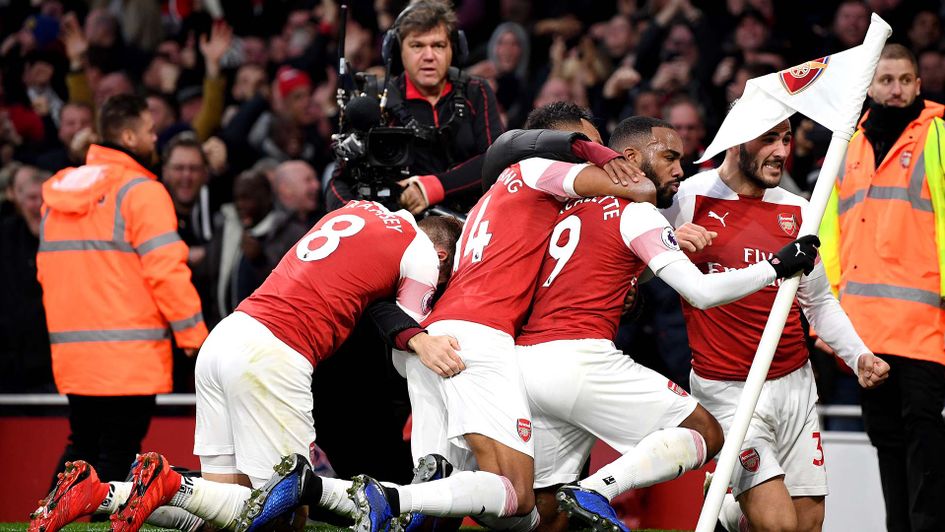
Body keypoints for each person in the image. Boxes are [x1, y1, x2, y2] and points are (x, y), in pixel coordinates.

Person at [29, 202, 465, 532]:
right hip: (274, 354)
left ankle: (100, 493)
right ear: (443, 257)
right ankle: (168, 482)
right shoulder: (425, 255)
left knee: (224, 506)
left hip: (228, 335)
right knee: (287, 509)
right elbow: (407, 342)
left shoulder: (359, 208)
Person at [346, 102, 655, 532]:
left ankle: (365, 497)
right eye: (590, 145)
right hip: (478, 341)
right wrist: (623, 176)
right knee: (516, 495)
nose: (605, 159)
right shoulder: (537, 171)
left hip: (440, 337)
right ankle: (383, 497)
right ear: (561, 143)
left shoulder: (494, 200)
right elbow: (641, 190)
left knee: (449, 497)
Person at [513, 116, 821, 532]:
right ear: (631, 158)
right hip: (582, 359)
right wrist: (776, 266)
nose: (680, 170)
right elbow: (702, 292)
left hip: (525, 361)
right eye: (670, 158)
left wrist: (642, 274)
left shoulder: (565, 207)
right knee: (705, 432)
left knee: (541, 510)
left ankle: (422, 496)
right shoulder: (639, 213)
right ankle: (600, 487)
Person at [661, 119, 890, 532]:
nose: (782, 151)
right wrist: (670, 239)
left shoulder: (798, 209)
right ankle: (731, 506)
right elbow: (636, 260)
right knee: (778, 525)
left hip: (794, 384)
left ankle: (730, 507)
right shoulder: (687, 198)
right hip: (727, 390)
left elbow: (817, 301)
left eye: (785, 139)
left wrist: (858, 354)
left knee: (808, 524)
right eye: (768, 139)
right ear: (736, 141)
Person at [34, 94, 209, 485]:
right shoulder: (142, 192)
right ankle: (74, 515)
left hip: (75, 353)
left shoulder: (60, 192)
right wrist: (195, 337)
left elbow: (47, 270)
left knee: (83, 445)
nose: (155, 138)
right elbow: (166, 271)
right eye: (149, 130)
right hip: (129, 356)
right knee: (115, 456)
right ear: (129, 136)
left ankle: (47, 514)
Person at [819, 43, 945, 532]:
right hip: (865, 330)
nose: (896, 90)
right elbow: (830, 233)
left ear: (918, 84)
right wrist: (825, 318)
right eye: (886, 80)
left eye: (904, 80)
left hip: (924, 325)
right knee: (886, 442)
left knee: (925, 442)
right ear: (870, 86)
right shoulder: (847, 145)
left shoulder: (937, 135)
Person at [326, 0, 504, 214]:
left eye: (438, 45)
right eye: (417, 46)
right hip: (397, 224)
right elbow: (338, 182)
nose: (429, 56)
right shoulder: (376, 99)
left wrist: (433, 187)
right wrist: (364, 218)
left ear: (454, 49)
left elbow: (496, 161)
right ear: (398, 50)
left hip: (471, 219)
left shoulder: (475, 91)